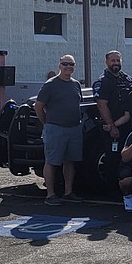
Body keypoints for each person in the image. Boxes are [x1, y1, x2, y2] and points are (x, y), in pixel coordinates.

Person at [34, 55, 85, 205]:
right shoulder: (50, 84)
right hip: (55, 128)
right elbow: (38, 106)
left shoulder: (76, 84)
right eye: (65, 64)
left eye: (71, 64)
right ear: (59, 65)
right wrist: (46, 123)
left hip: (74, 128)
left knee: (70, 161)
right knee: (51, 161)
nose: (68, 67)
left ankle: (68, 192)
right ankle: (50, 194)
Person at [94, 50, 132, 153]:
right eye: (113, 60)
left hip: (128, 124)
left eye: (118, 60)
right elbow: (102, 106)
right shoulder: (103, 81)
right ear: (106, 62)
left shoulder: (127, 79)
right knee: (113, 158)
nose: (116, 63)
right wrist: (112, 127)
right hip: (111, 126)